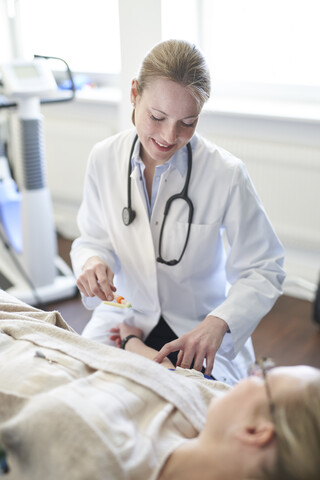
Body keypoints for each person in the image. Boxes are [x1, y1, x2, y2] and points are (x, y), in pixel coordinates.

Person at [71, 39, 286, 385]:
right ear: (134, 94)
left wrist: (219, 323)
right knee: (81, 387)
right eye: (157, 117)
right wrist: (92, 263)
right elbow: (91, 239)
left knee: (203, 407)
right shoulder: (103, 158)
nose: (169, 137)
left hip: (198, 325)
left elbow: (265, 267)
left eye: (187, 122)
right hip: (126, 315)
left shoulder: (225, 174)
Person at [0, 291, 319, 480]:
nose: (252, 375)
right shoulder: (215, 400)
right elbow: (171, 372)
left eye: (265, 376)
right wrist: (131, 340)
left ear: (255, 432)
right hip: (35, 327)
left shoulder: (102, 462)